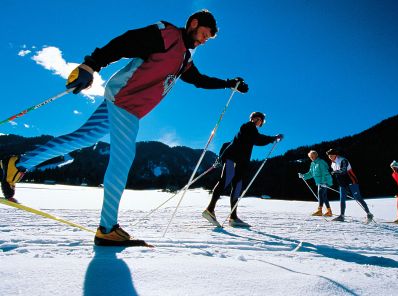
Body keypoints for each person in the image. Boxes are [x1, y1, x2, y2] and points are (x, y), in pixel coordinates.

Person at [0, 10, 249, 246]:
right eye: (204, 34)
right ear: (194, 23)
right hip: (125, 103)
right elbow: (126, 42)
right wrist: (91, 65)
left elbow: (199, 80)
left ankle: (17, 163)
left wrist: (229, 83)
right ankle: (107, 229)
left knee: (83, 138)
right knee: (122, 159)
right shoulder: (166, 34)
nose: (204, 41)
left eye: (208, 38)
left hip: (123, 103)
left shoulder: (184, 57)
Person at [202, 112, 283, 227]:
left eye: (260, 121)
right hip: (234, 158)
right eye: (258, 120)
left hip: (241, 161)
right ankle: (210, 209)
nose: (258, 122)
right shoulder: (248, 126)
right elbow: (258, 139)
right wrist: (273, 138)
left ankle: (233, 217)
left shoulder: (249, 131)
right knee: (226, 180)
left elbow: (233, 143)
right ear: (255, 119)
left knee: (237, 186)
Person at [326, 149, 373, 222]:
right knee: (342, 199)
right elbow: (337, 174)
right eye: (329, 156)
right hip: (342, 183)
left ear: (335, 154)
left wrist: (335, 172)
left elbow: (343, 170)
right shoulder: (333, 163)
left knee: (357, 198)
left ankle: (369, 214)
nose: (330, 157)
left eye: (331, 155)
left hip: (351, 181)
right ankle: (342, 216)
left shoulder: (343, 160)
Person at [298, 150, 333, 217]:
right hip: (319, 182)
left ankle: (319, 210)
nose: (311, 158)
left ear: (316, 155)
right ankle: (329, 211)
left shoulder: (321, 162)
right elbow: (311, 173)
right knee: (324, 196)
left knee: (320, 194)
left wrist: (324, 182)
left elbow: (324, 173)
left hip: (324, 181)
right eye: (310, 157)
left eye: (312, 156)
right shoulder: (313, 164)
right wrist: (303, 176)